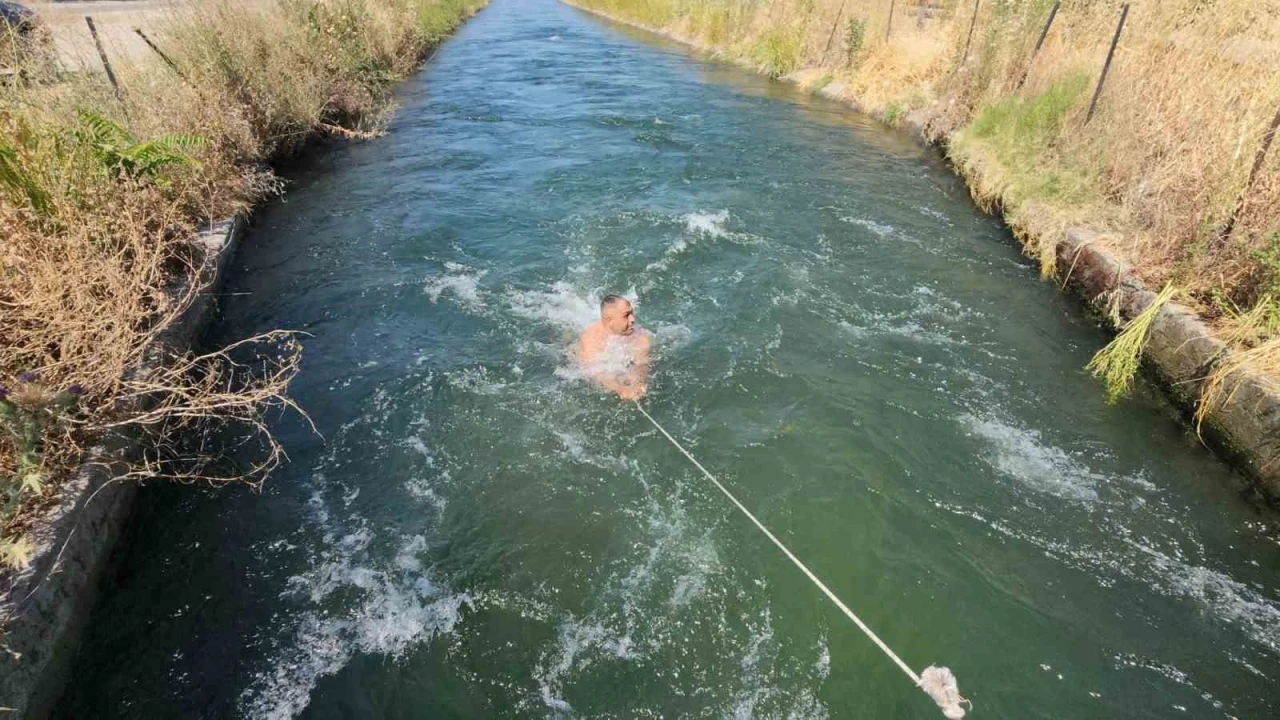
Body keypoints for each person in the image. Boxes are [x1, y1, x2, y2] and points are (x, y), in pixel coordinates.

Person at [577, 294, 651, 401]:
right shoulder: (590, 339)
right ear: (609, 321)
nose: (633, 319)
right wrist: (619, 389)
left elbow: (641, 364)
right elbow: (595, 373)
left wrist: (637, 383)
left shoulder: (641, 337)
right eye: (626, 315)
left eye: (632, 313)